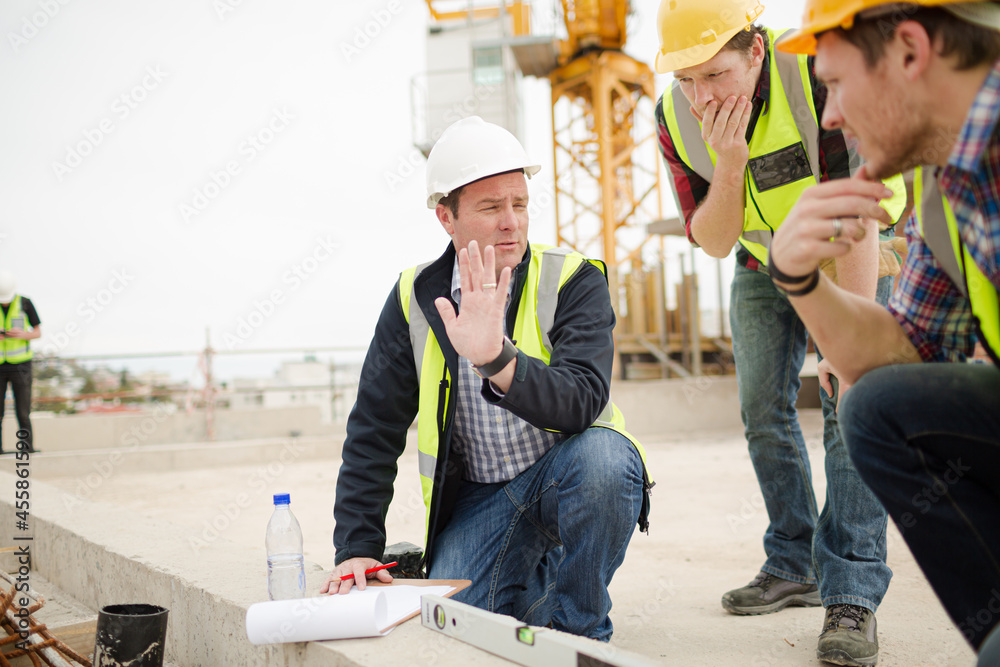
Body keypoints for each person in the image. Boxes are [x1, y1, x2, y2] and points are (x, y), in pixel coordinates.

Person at [320, 116, 652, 641]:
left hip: (566, 477)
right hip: (478, 499)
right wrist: (357, 546)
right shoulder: (414, 297)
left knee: (607, 460)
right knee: (459, 628)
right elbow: (374, 428)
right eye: (491, 207)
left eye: (519, 204)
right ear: (446, 218)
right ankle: (541, 583)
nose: (512, 223)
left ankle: (581, 635)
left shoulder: (573, 278)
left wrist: (497, 359)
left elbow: (583, 400)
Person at [653, 0, 907, 663]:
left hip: (859, 236)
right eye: (687, 80)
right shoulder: (674, 116)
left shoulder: (816, 77)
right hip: (761, 254)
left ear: (757, 51)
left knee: (850, 405)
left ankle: (851, 586)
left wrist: (847, 355)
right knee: (762, 408)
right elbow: (712, 239)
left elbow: (857, 207)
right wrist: (729, 161)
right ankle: (793, 559)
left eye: (715, 74)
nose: (701, 96)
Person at [769, 1, 1000, 662]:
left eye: (836, 83)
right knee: (880, 407)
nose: (831, 114)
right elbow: (896, 351)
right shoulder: (944, 177)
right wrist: (798, 276)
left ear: (908, 50)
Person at [0, 271, 40, 456]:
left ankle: (26, 448)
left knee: (23, 412)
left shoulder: (25, 303)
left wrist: (24, 335)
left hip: (21, 366)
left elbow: (38, 331)